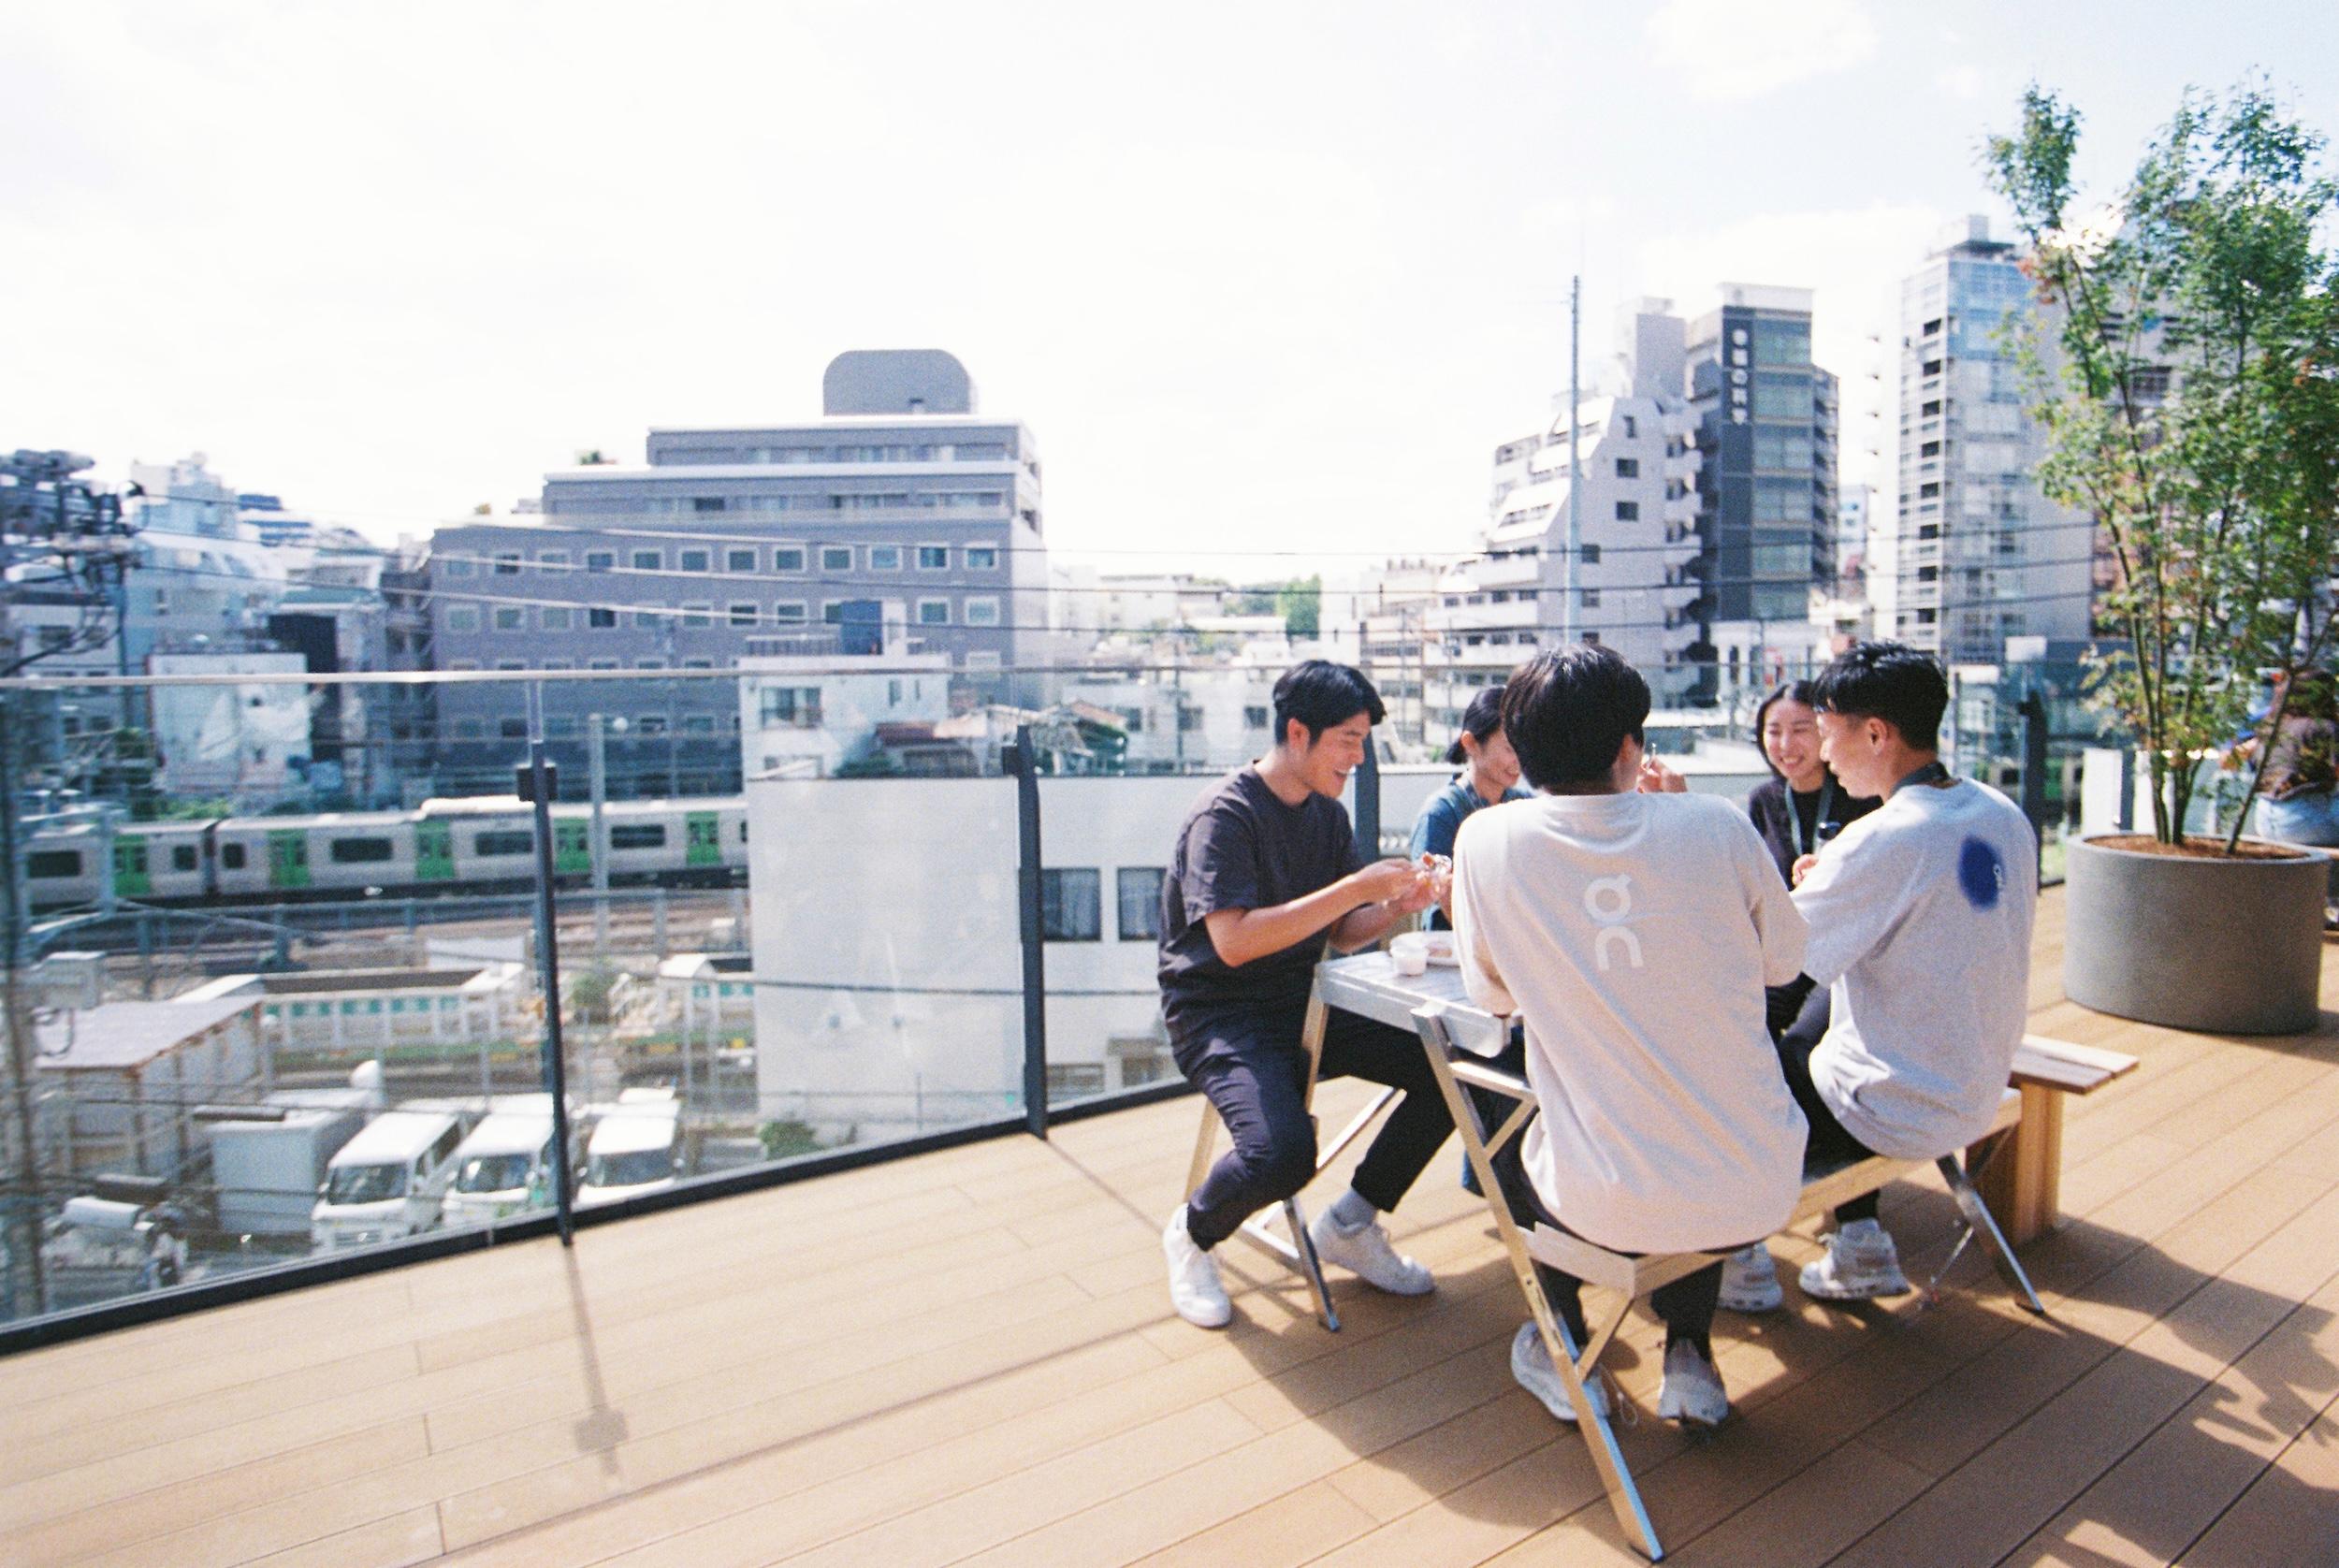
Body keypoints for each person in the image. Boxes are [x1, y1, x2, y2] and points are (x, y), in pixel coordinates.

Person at [1450, 646, 1809, 1429]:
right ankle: (1688, 1352)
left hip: (1601, 1205)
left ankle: (1562, 1340)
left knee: (1493, 1115)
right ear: (1628, 748)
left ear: (1524, 749)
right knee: (1690, 1101)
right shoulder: (1716, 821)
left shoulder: (1485, 840)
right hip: (1758, 1186)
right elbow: (1786, 961)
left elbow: (1490, 996)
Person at [1727, 641, 2038, 1311]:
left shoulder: (1885, 838)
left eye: (1828, 733)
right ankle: (1859, 1241)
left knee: (1726, 1067)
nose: (1825, 753)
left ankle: (1735, 1250)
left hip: (1893, 1107)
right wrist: (1835, 880)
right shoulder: (2000, 812)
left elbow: (1769, 960)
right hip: (1977, 1084)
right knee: (1809, 1034)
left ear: (1876, 733)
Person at [1158, 661, 1454, 1329]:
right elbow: (1231, 943)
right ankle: (1194, 1231)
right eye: (1348, 739)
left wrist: (1396, 905)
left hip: (1302, 996)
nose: (1358, 756)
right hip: (1219, 1013)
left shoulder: (1324, 815)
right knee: (1282, 1153)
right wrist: (1355, 888)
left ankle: (1352, 1223)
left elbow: (1344, 934)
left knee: (1450, 1068)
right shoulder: (1225, 817)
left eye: (1362, 741)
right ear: (1298, 732)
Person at [1720, 683, 1880, 1311]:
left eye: (1800, 730)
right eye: (1772, 732)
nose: (1785, 746)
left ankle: (1849, 1220)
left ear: (1828, 731)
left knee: (1808, 1055)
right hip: (1787, 957)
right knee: (1735, 1037)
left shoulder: (1866, 798)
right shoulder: (1762, 801)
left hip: (1848, 964)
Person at [1409, 688, 1533, 922]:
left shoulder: (1525, 805)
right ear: (1471, 743)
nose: (1519, 759)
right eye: (1510, 748)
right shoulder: (1440, 813)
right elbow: (1434, 897)